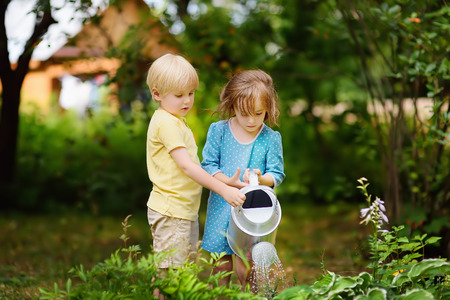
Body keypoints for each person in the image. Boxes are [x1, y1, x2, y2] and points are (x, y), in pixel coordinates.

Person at [145, 53, 246, 278]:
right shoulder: (166, 124)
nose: (187, 101)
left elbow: (193, 166)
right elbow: (188, 167)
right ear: (157, 94)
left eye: (191, 93)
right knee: (170, 272)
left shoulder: (174, 120)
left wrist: (225, 180)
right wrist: (223, 190)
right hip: (172, 210)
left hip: (182, 209)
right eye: (179, 95)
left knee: (181, 270)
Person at [201, 69, 285, 290]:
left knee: (246, 266)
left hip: (253, 210)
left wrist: (260, 177)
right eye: (244, 113)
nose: (251, 120)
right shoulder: (219, 131)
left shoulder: (271, 138)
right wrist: (228, 181)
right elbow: (208, 165)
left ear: (268, 108)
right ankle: (220, 295)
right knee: (220, 264)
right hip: (223, 202)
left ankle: (250, 294)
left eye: (258, 113)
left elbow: (277, 174)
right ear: (232, 105)